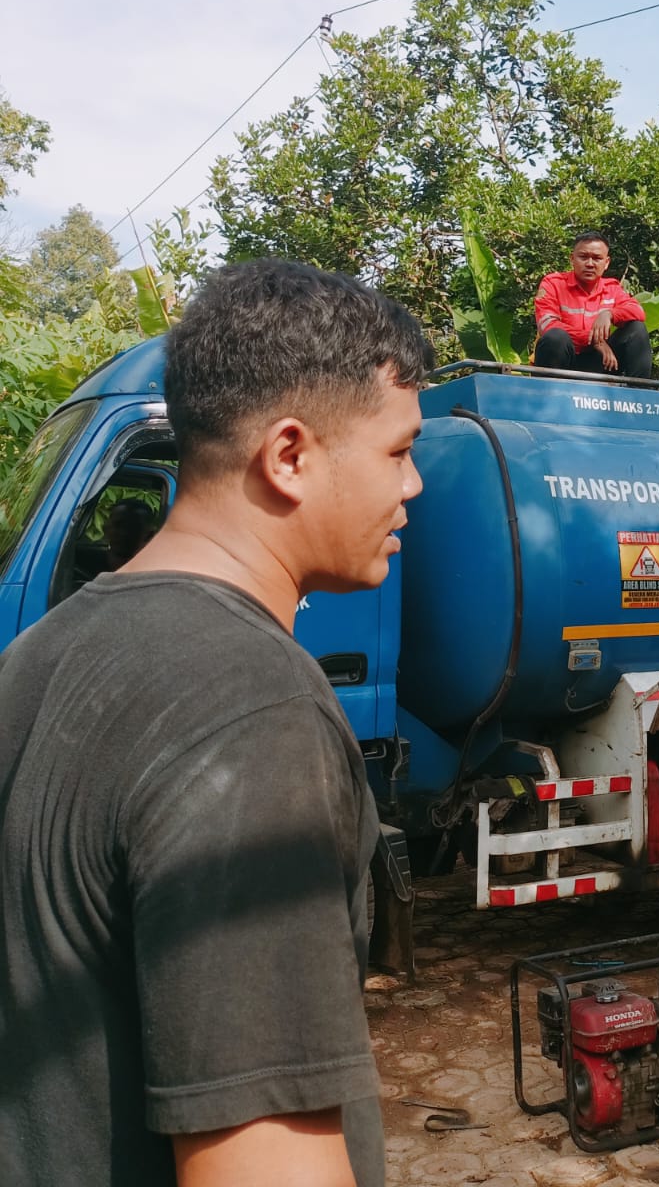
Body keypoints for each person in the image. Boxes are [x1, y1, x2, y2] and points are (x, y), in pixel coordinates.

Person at [0, 259, 429, 1187]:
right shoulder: (251, 708)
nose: (417, 486)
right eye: (398, 451)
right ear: (289, 456)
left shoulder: (32, 659)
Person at [533, 231, 653, 377]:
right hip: (563, 362)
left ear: (606, 262)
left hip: (601, 363)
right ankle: (550, 395)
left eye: (597, 258)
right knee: (555, 337)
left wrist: (610, 314)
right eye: (583, 257)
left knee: (637, 328)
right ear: (572, 259)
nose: (590, 264)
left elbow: (638, 311)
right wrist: (595, 341)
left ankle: (638, 396)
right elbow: (547, 325)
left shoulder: (612, 288)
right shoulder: (553, 283)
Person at [103, 494, 158, 568]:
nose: (123, 533)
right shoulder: (88, 563)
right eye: (117, 525)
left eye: (132, 527)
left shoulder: (156, 570)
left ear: (150, 535)